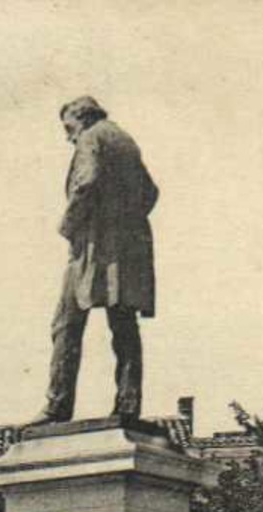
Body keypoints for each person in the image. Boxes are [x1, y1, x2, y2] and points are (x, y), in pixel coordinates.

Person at [29, 96, 159, 425]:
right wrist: (125, 222)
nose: (67, 136)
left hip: (92, 249)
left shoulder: (91, 137)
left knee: (66, 323)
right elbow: (151, 191)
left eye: (68, 127)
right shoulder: (125, 139)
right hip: (128, 250)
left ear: (81, 117)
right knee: (124, 325)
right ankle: (128, 404)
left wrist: (69, 225)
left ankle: (57, 405)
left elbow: (87, 183)